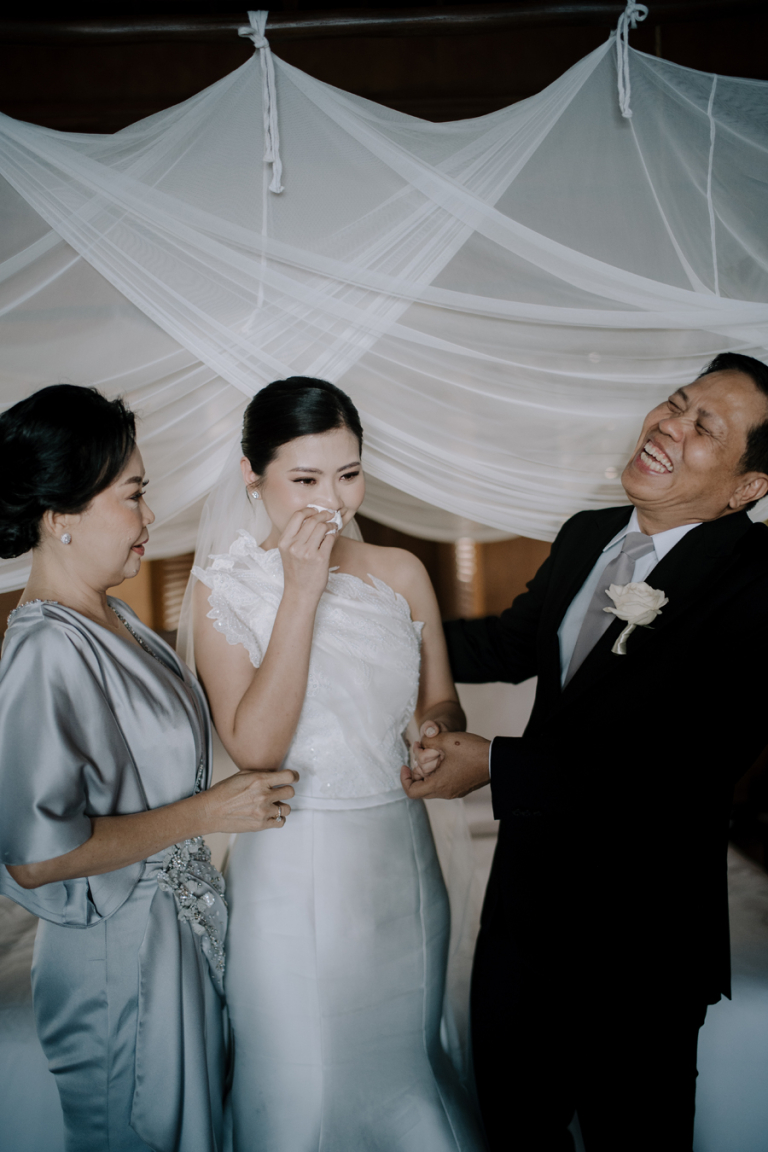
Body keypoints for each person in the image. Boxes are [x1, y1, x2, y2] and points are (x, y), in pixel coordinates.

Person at [403, 352, 768, 1151]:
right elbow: (511, 642)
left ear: (748, 487)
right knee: (515, 1127)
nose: (669, 425)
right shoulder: (588, 534)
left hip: (643, 939)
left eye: (704, 427)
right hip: (524, 910)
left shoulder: (759, 584)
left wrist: (493, 765)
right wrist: (379, 630)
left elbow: (682, 772)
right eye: (675, 403)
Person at [188, 376, 486, 1151]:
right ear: (252, 475)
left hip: (401, 863)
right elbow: (256, 749)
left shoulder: (401, 570)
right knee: (306, 1085)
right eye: (305, 480)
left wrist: (434, 730)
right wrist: (302, 591)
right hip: (293, 866)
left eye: (348, 474)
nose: (332, 502)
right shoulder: (221, 591)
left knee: (408, 1069)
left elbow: (441, 701)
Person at [0, 384, 297, 1152]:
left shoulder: (117, 618)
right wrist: (210, 813)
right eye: (133, 495)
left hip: (175, 941)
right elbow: (35, 858)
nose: (150, 516)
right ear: (60, 515)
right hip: (114, 961)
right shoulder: (43, 648)